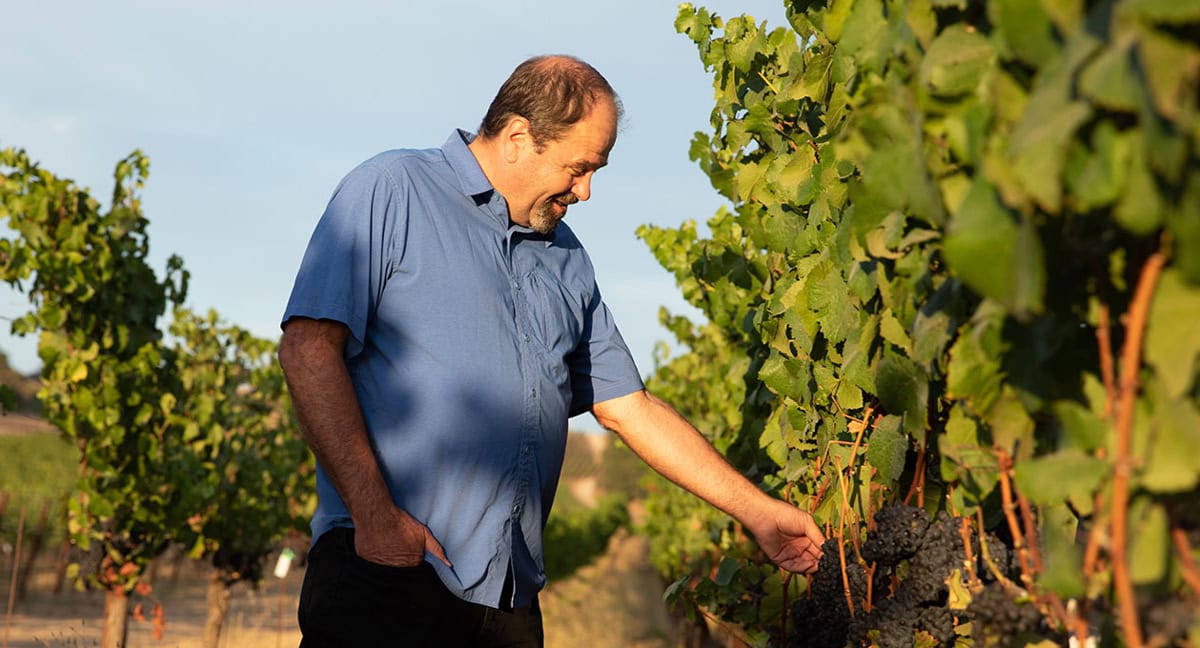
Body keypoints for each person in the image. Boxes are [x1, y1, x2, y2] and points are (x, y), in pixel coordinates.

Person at [278, 54, 824, 647]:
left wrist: (758, 511)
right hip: (392, 572)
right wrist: (376, 518)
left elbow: (629, 407)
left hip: (507, 597)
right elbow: (308, 349)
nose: (586, 191)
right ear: (517, 137)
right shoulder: (393, 190)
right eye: (579, 167)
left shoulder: (566, 255)